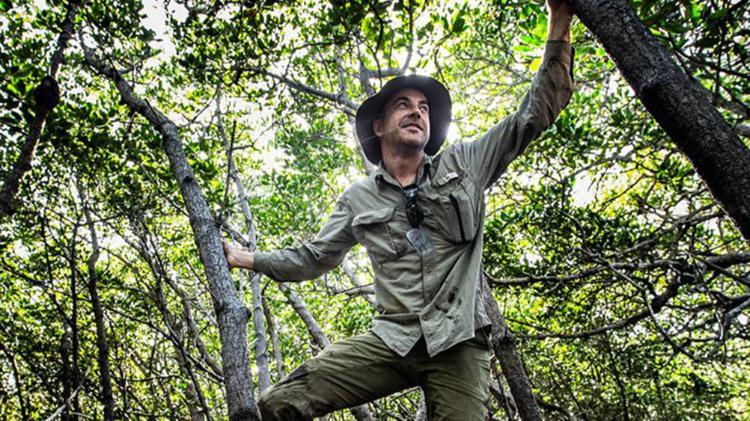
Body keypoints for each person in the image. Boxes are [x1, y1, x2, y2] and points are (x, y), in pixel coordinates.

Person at [223, 1, 574, 418]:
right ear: (379, 126)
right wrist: (248, 259)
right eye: (404, 105)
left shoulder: (466, 163)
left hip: (458, 342)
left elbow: (532, 116)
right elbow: (314, 258)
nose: (417, 112)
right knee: (278, 402)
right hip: (391, 340)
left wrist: (560, 21)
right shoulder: (358, 198)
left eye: (424, 108)